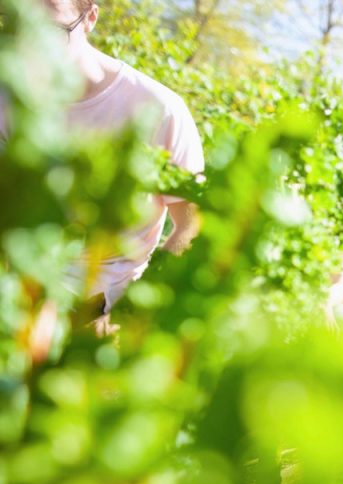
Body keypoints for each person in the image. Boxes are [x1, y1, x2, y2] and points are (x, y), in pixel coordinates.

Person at [0, 0, 205, 335]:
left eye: (51, 32)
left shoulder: (158, 109)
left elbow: (191, 225)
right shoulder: (6, 102)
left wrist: (131, 313)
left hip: (110, 301)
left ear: (90, 19)